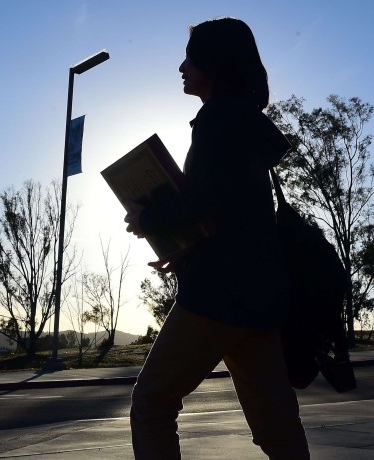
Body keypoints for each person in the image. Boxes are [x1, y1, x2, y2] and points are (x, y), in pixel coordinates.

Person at [124, 17, 310, 459]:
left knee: (151, 403)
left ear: (213, 61)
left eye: (190, 57)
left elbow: (202, 205)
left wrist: (150, 217)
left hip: (217, 296)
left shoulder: (217, 122)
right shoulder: (245, 121)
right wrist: (178, 244)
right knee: (277, 428)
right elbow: (231, 210)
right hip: (260, 297)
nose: (181, 67)